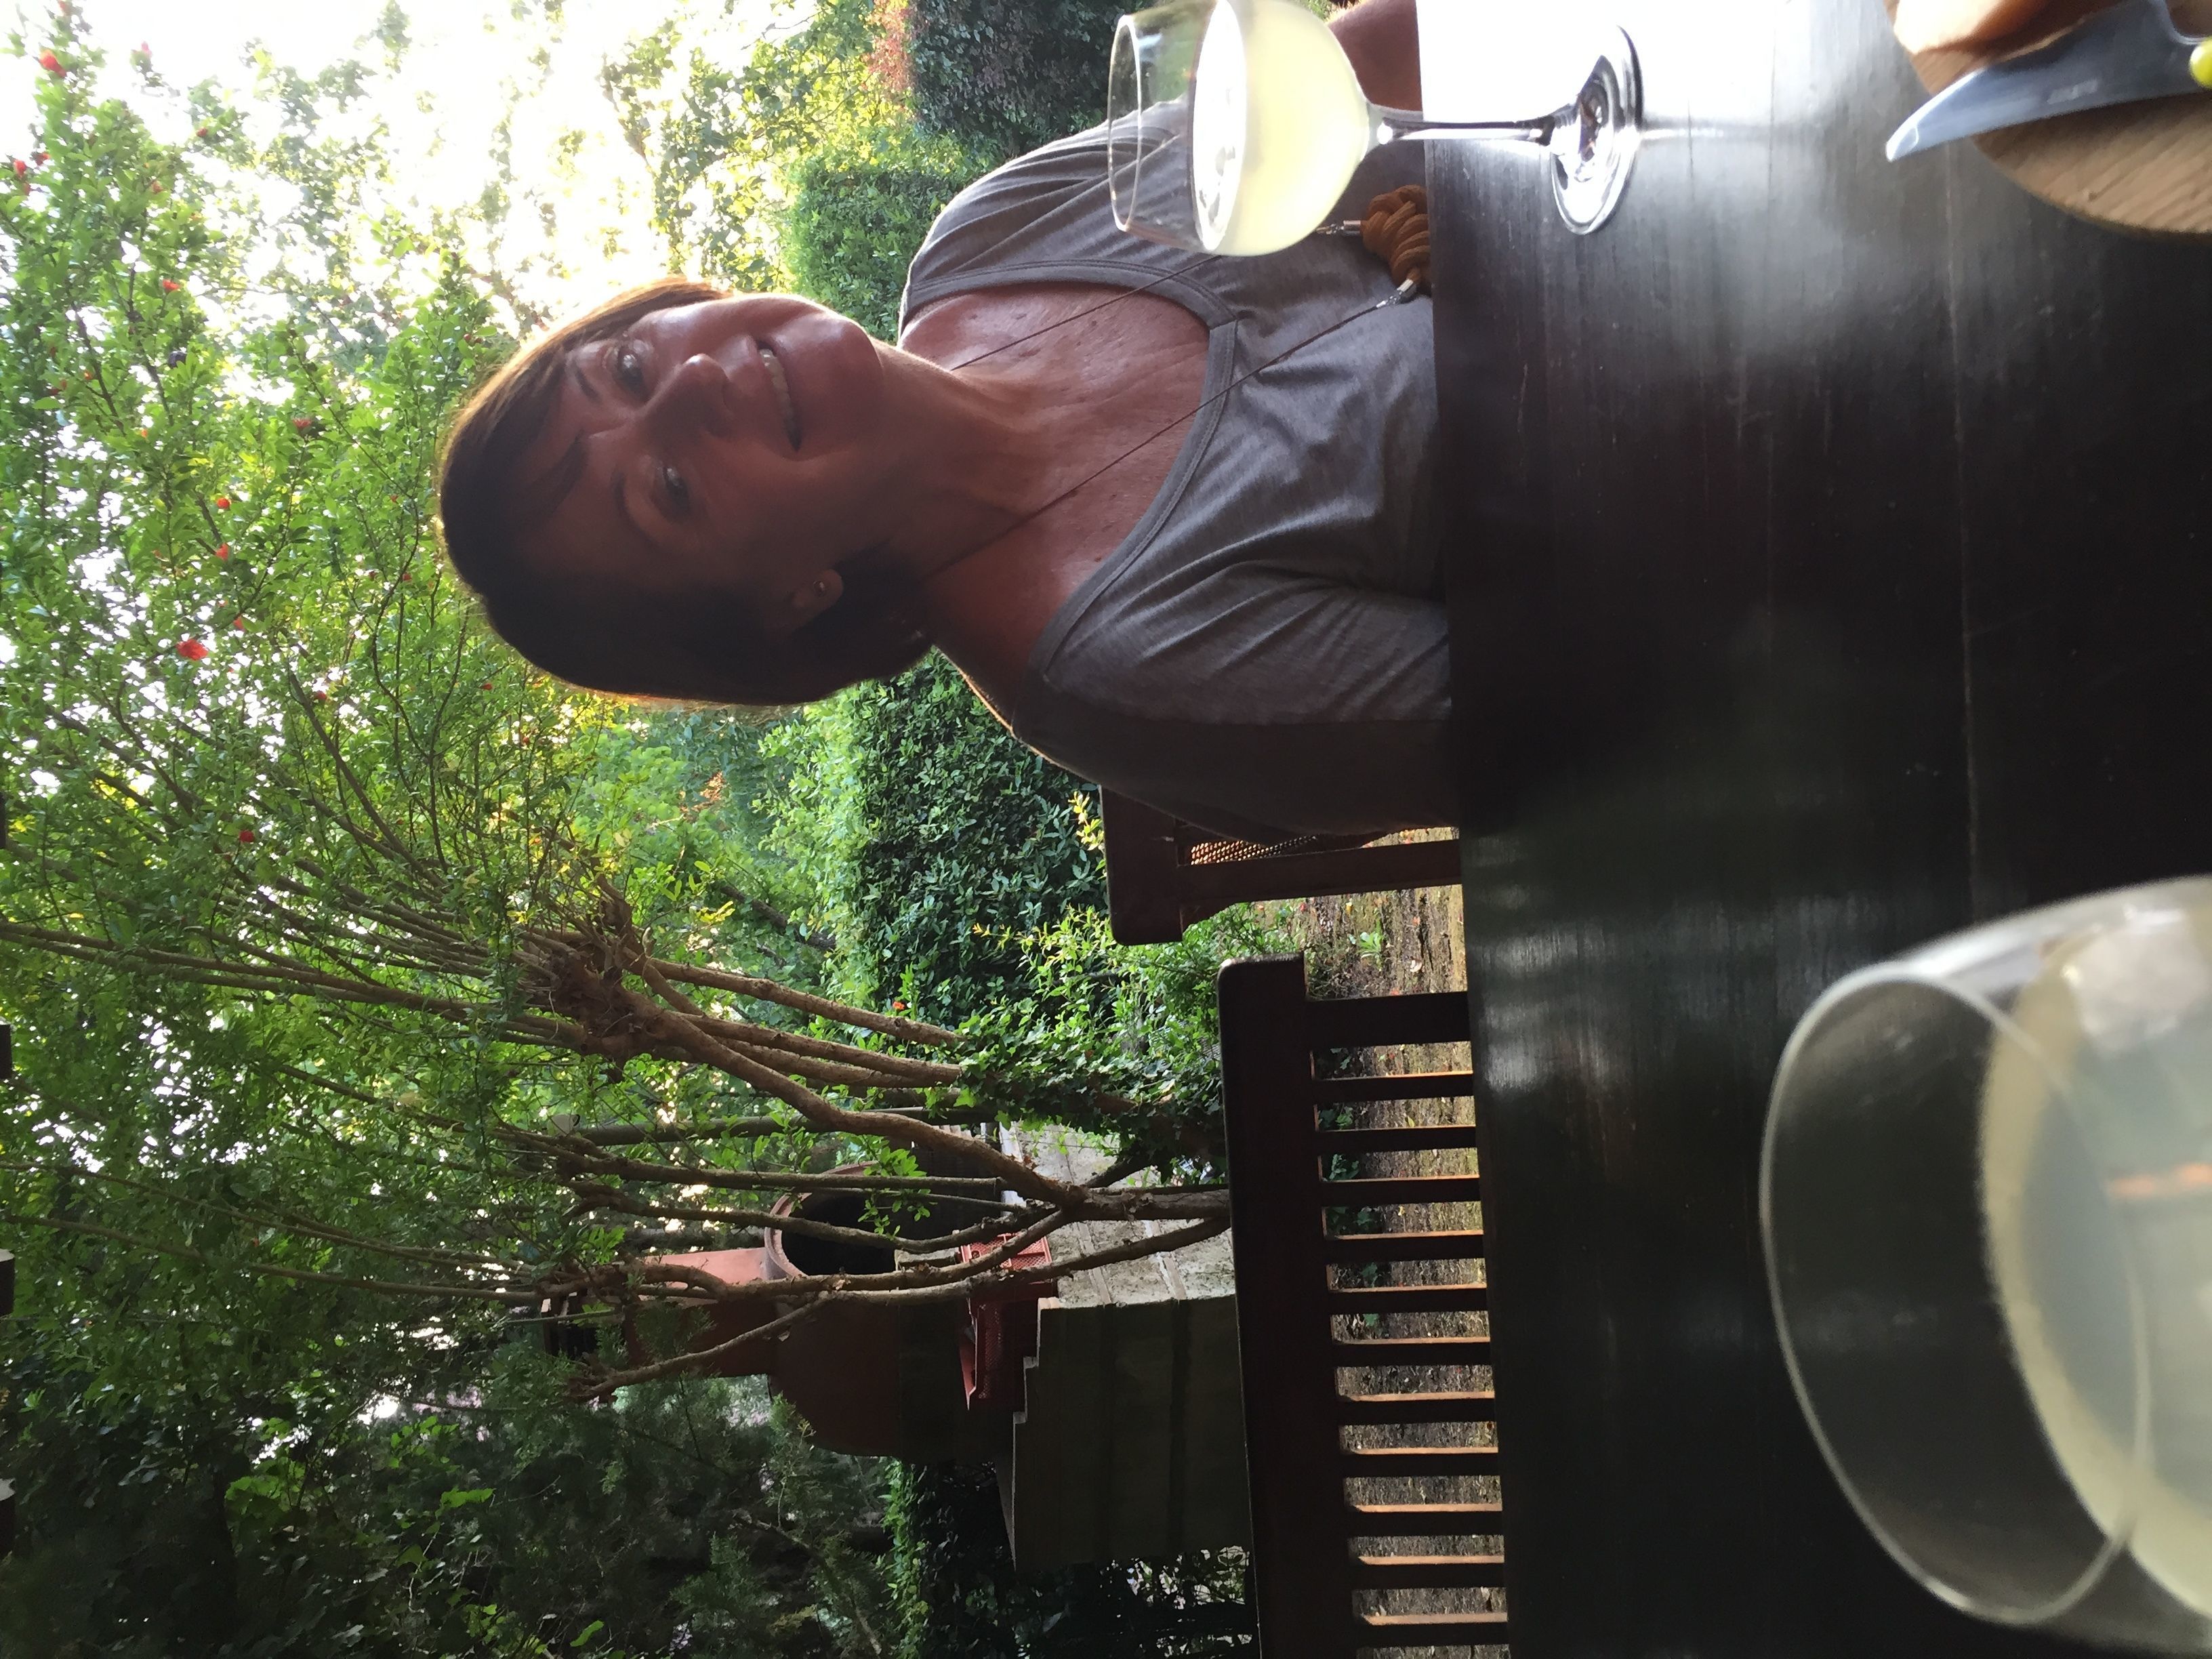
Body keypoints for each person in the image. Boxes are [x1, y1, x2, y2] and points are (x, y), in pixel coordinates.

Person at [438, 0, 1449, 838]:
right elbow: (1539, 710)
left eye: (627, 367)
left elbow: (1372, 70)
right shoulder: (1127, 664)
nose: (694, 381)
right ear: (786, 599)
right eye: (670, 490)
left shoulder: (982, 242)